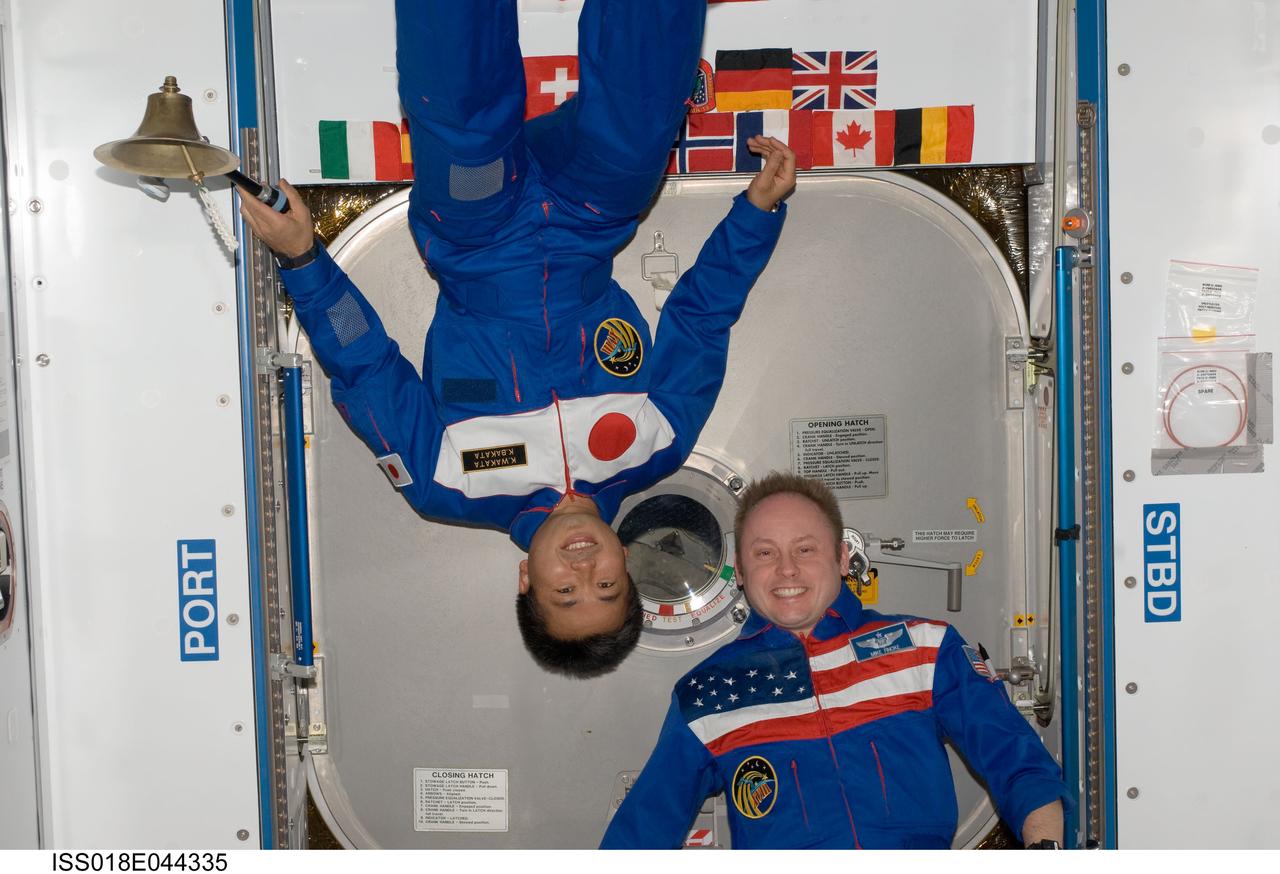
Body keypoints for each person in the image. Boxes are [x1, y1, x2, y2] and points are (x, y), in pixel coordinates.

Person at [237, 1, 797, 678]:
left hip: (476, 230)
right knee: (641, 125)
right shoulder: (660, 440)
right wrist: (756, 217)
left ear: (527, 582)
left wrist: (304, 262)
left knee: (465, 116)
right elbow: (702, 317)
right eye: (608, 587)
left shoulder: (445, 483)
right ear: (628, 563)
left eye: (567, 590)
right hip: (595, 216)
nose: (585, 568)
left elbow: (366, 369)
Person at [600, 472, 1070, 849]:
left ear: (843, 558)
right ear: (740, 572)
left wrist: (1044, 848)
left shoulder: (924, 648)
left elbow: (1016, 759)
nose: (787, 569)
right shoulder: (708, 695)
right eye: (765, 553)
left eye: (805, 549)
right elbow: (644, 829)